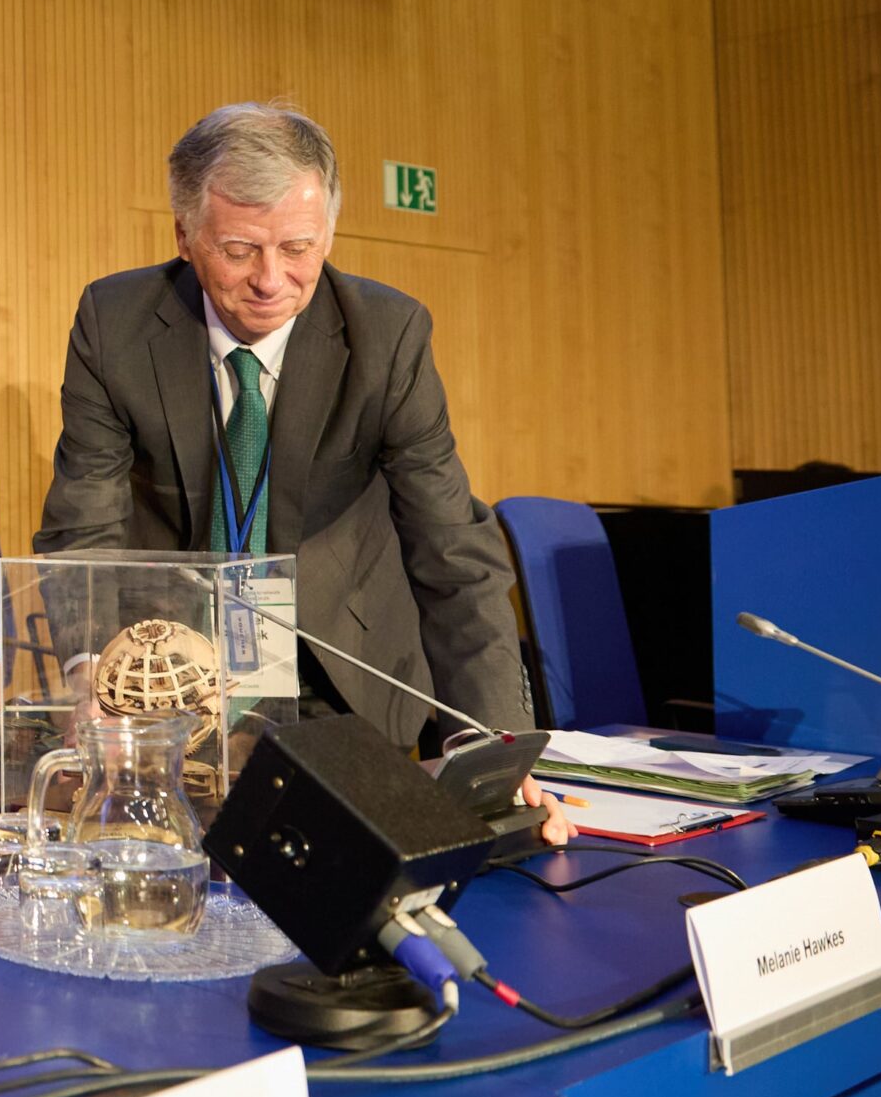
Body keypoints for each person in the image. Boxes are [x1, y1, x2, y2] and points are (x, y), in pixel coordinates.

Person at [33, 103, 569, 843]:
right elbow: (83, 528)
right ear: (184, 236)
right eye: (241, 249)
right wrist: (95, 671)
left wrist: (495, 748)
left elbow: (452, 551)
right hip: (174, 680)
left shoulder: (387, 336)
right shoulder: (115, 323)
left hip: (339, 667)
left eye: (297, 247)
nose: (271, 279)